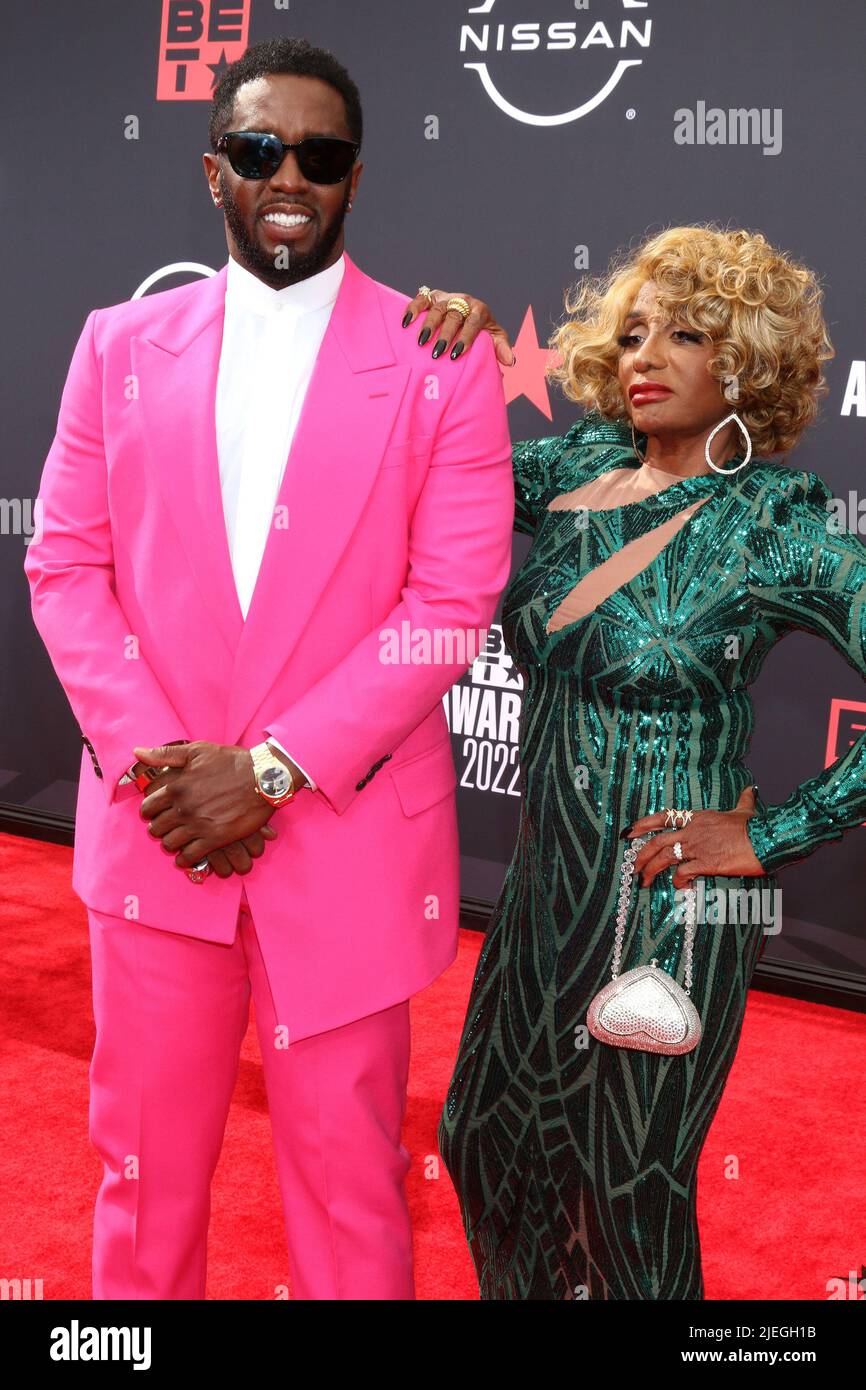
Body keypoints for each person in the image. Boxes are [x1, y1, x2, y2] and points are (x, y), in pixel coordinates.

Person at [23, 36, 514, 1300]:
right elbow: (65, 568)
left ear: (354, 178)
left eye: (319, 152)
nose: (286, 173)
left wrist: (275, 770)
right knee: (140, 1182)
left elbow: (448, 603)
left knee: (351, 1192)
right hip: (160, 827)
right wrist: (165, 769)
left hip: (343, 838)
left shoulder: (443, 359)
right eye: (257, 149)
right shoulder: (117, 346)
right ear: (211, 170)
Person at [400, 225, 866, 1299]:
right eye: (635, 328)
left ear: (744, 363)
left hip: (671, 898)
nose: (644, 352)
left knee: (622, 1189)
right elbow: (421, 466)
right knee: (482, 1142)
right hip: (543, 886)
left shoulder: (771, 531)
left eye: (687, 333)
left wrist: (766, 834)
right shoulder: (574, 465)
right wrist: (452, 353)